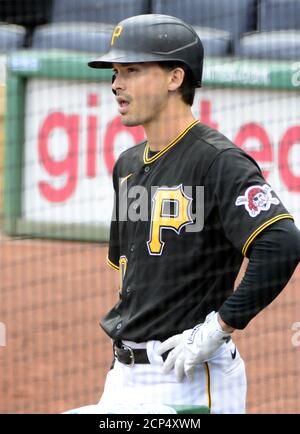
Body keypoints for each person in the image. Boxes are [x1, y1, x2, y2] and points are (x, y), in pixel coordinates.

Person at [88, 14, 300, 414]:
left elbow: (282, 243)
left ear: (175, 78)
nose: (116, 84)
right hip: (123, 377)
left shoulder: (218, 160)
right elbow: (130, 275)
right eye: (115, 72)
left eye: (132, 70)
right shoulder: (127, 164)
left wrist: (219, 327)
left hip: (187, 377)